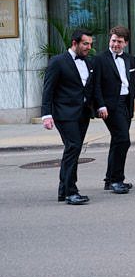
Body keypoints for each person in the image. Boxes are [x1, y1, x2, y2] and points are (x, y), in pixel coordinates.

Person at [41, 28, 97, 205]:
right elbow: (48, 90)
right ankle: (71, 191)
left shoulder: (88, 62)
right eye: (85, 43)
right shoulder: (58, 62)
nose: (88, 47)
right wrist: (46, 115)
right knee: (73, 147)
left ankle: (63, 190)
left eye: (90, 44)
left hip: (83, 113)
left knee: (74, 150)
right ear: (74, 43)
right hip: (64, 114)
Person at [92, 25, 135, 194]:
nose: (115, 44)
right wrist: (100, 105)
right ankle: (117, 180)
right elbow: (96, 86)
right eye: (113, 40)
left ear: (126, 43)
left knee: (117, 141)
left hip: (126, 104)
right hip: (110, 106)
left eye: (119, 41)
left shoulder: (130, 59)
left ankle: (110, 180)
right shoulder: (100, 59)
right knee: (123, 139)